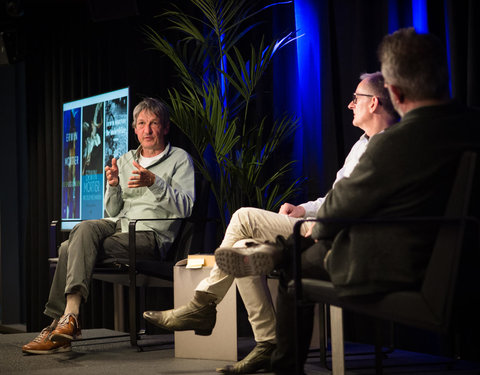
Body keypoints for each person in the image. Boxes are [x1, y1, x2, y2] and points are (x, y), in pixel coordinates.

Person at [214, 27, 480, 374]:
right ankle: (279, 251)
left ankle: (281, 341)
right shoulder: (472, 125)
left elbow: (337, 211)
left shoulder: (392, 143)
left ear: (394, 93)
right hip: (463, 269)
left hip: (398, 265)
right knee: (309, 243)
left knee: (295, 273)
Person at [143, 71, 399, 374]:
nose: (349, 104)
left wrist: (321, 223)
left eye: (356, 98)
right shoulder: (361, 145)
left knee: (242, 217)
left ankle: (203, 305)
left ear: (374, 103)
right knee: (242, 250)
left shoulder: (389, 147)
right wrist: (301, 209)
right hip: (321, 222)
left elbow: (366, 207)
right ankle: (266, 343)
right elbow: (334, 197)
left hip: (340, 235)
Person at [22, 97, 195, 355]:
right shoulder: (125, 160)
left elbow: (186, 207)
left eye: (154, 123)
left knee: (69, 249)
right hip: (118, 225)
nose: (147, 130)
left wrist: (154, 182)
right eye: (141, 123)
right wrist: (113, 186)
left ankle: (57, 325)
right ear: (135, 129)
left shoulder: (180, 159)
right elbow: (112, 211)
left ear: (165, 127)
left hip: (150, 235)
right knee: (83, 229)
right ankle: (69, 317)